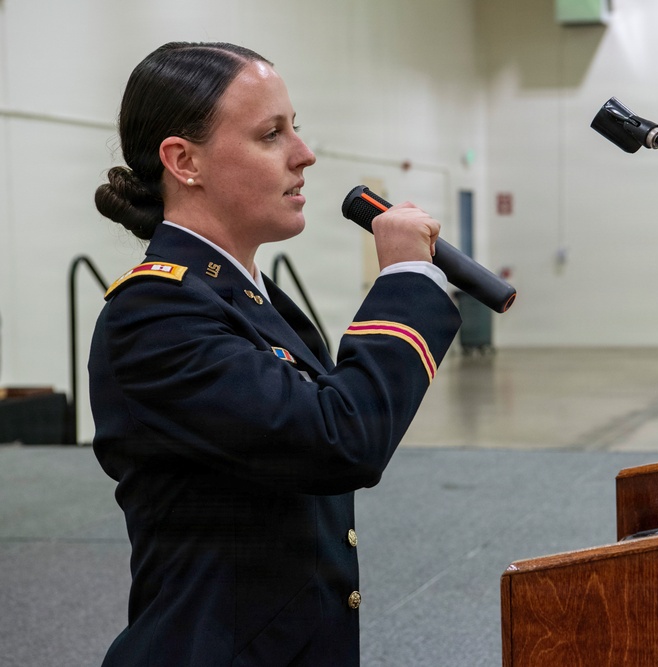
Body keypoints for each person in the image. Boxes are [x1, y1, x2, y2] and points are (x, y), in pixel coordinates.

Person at [89, 42, 461, 666]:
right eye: (271, 134)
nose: (304, 154)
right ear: (184, 161)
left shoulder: (247, 297)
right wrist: (403, 283)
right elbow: (339, 437)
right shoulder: (153, 316)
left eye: (297, 128)